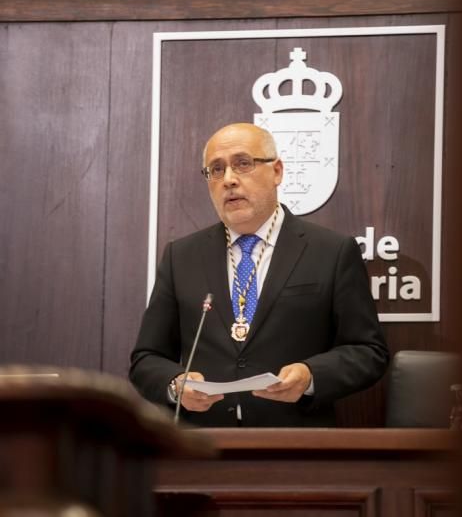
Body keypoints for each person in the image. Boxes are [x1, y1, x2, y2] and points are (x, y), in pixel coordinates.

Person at [129, 123, 389, 427]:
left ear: (276, 171)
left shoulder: (331, 251)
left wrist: (311, 375)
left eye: (243, 163)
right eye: (216, 169)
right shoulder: (181, 257)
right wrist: (175, 385)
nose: (228, 180)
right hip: (202, 447)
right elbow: (146, 359)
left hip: (295, 445)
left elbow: (369, 352)